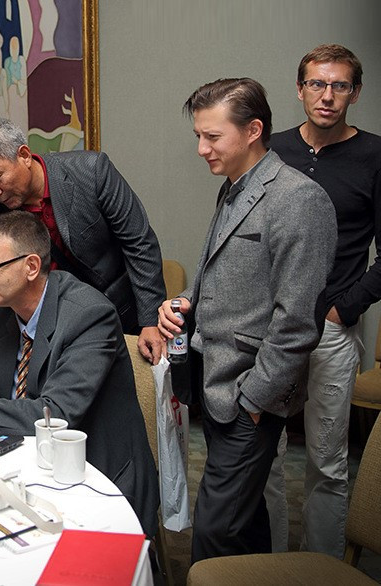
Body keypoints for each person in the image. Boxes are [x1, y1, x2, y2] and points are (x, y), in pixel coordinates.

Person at [159, 78, 336, 563]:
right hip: (216, 386)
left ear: (253, 130)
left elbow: (298, 320)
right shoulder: (233, 189)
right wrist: (184, 303)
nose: (201, 148)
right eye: (198, 136)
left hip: (247, 394)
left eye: (212, 136)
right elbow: (221, 274)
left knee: (213, 533)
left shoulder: (299, 199)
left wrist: (254, 401)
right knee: (246, 522)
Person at [0, 211, 159, 537]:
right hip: (25, 469)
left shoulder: (89, 315)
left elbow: (55, 414)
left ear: (31, 266)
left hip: (94, 479)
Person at [0, 116, 168, 364]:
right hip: (51, 329)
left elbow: (139, 243)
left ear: (24, 155)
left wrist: (149, 321)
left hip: (120, 313)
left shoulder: (91, 171)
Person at [264, 44, 381, 558]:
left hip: (332, 330)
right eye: (316, 84)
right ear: (299, 89)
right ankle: (266, 564)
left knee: (327, 464)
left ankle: (321, 569)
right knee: (264, 455)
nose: (326, 95)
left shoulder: (374, 156)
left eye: (339, 86)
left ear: (355, 93)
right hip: (271, 327)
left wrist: (344, 309)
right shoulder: (272, 150)